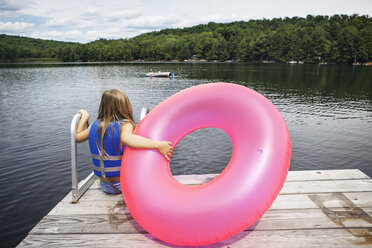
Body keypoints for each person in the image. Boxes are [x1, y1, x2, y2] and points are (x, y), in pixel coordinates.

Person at [75, 89, 173, 194]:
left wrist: (84, 118)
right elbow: (127, 139)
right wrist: (158, 145)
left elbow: (77, 137)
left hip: (105, 185)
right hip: (123, 186)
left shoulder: (94, 125)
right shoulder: (125, 125)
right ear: (125, 107)